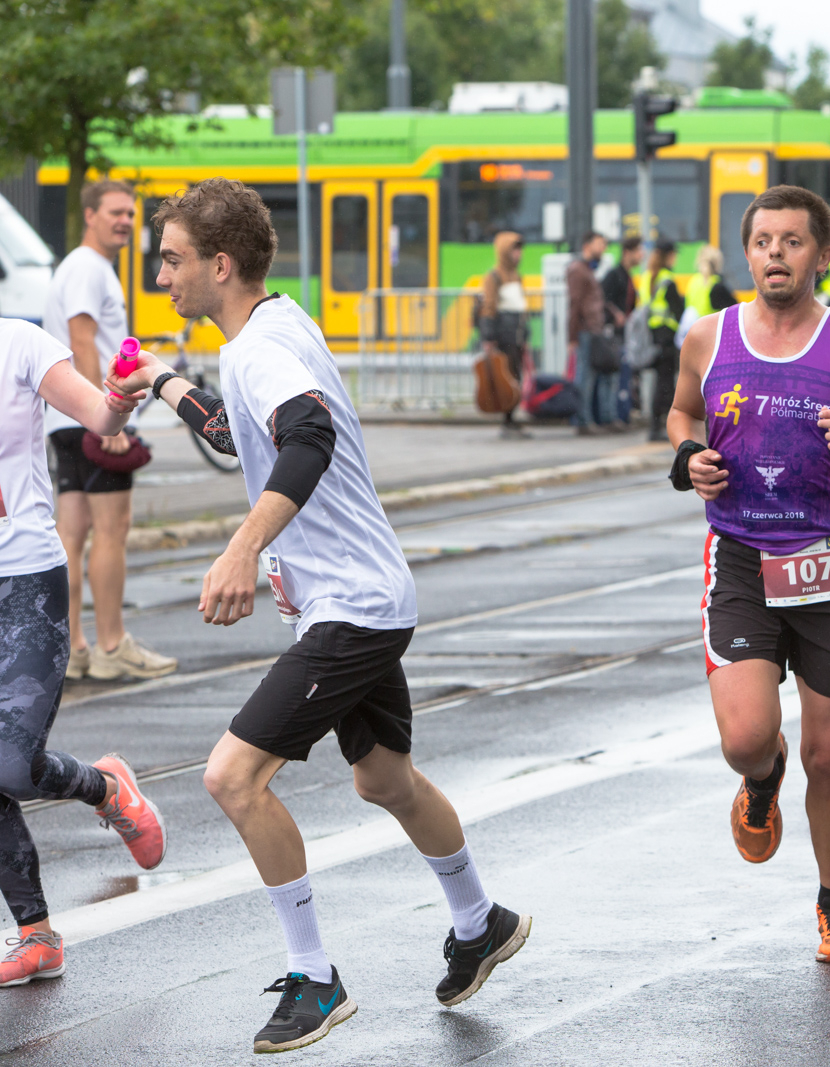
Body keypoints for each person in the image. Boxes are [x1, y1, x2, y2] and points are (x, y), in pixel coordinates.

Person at [110, 180, 527, 1052]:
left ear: (220, 264)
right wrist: (161, 381)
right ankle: (479, 919)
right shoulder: (277, 326)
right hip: (369, 597)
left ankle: (314, 976)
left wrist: (240, 548)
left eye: (174, 259)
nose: (162, 276)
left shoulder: (262, 351)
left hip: (351, 608)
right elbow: (240, 434)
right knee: (384, 780)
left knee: (229, 776)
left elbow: (307, 437)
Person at [666, 185, 830, 962]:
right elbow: (681, 416)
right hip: (741, 554)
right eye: (764, 241)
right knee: (747, 738)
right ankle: (761, 780)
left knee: (829, 754)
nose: (776, 253)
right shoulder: (707, 338)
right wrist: (687, 459)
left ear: (822, 254)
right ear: (748, 253)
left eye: (793, 241)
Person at [0, 317, 168, 987]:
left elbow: (99, 414)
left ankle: (106, 786)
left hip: (25, 584)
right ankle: (36, 934)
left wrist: (125, 393)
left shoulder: (18, 343)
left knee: (10, 764)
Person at [42, 178, 177, 681]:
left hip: (66, 419)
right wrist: (108, 415)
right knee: (112, 531)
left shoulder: (80, 267)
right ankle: (113, 644)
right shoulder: (88, 268)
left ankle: (73, 648)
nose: (125, 221)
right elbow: (82, 339)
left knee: (71, 535)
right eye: (115, 212)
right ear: (90, 215)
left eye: (130, 213)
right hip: (92, 419)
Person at [477, 231, 530, 438]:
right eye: (514, 249)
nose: (518, 254)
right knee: (505, 377)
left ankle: (512, 417)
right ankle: (507, 419)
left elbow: (522, 308)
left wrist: (526, 333)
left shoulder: (517, 276)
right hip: (503, 335)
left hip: (516, 335)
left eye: (519, 250)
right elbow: (488, 308)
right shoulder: (493, 277)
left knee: (516, 376)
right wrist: (489, 337)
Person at [568, 231, 616, 435]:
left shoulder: (586, 269)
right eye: (599, 244)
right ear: (587, 245)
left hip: (593, 330)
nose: (603, 248)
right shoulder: (578, 270)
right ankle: (582, 421)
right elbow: (575, 304)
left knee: (593, 376)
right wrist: (572, 336)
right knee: (584, 378)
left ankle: (590, 419)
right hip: (585, 331)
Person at [603, 236, 645, 425]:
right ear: (627, 253)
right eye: (638, 251)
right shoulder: (614, 274)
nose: (641, 255)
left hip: (626, 334)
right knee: (614, 377)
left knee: (623, 376)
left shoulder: (628, 276)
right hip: (614, 334)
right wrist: (615, 315)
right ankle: (612, 416)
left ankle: (621, 414)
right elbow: (603, 298)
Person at [646, 239, 685, 442]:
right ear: (668, 256)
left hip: (654, 338)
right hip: (667, 340)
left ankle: (655, 426)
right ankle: (660, 428)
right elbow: (679, 312)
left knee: (659, 384)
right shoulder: (667, 280)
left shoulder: (651, 277)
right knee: (666, 386)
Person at [684, 245, 738, 319]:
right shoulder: (717, 284)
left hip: (695, 325)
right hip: (710, 325)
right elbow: (733, 309)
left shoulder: (694, 280)